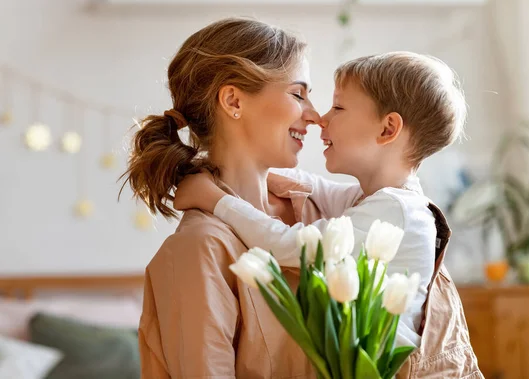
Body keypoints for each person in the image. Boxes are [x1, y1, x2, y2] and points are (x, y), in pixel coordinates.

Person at [174, 52, 483, 378]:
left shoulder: (397, 211)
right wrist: (241, 171)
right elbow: (315, 186)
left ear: (387, 128)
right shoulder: (373, 199)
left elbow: (289, 245)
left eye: (338, 108)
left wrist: (216, 199)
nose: (321, 118)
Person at [121, 17, 324, 378]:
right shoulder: (199, 249)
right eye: (298, 93)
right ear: (233, 100)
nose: (315, 115)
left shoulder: (317, 210)